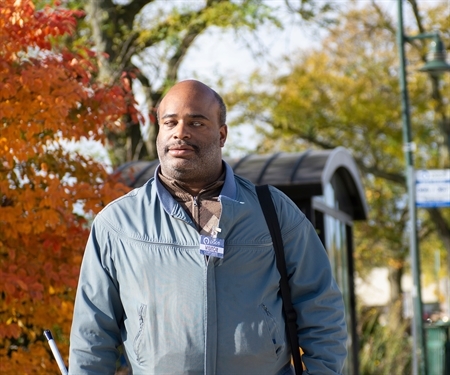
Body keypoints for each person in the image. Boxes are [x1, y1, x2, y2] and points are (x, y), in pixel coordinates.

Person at [68, 79, 347, 374]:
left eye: (197, 123)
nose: (180, 133)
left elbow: (322, 309)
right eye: (170, 122)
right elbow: (92, 334)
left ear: (222, 134)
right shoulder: (118, 223)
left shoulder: (274, 212)